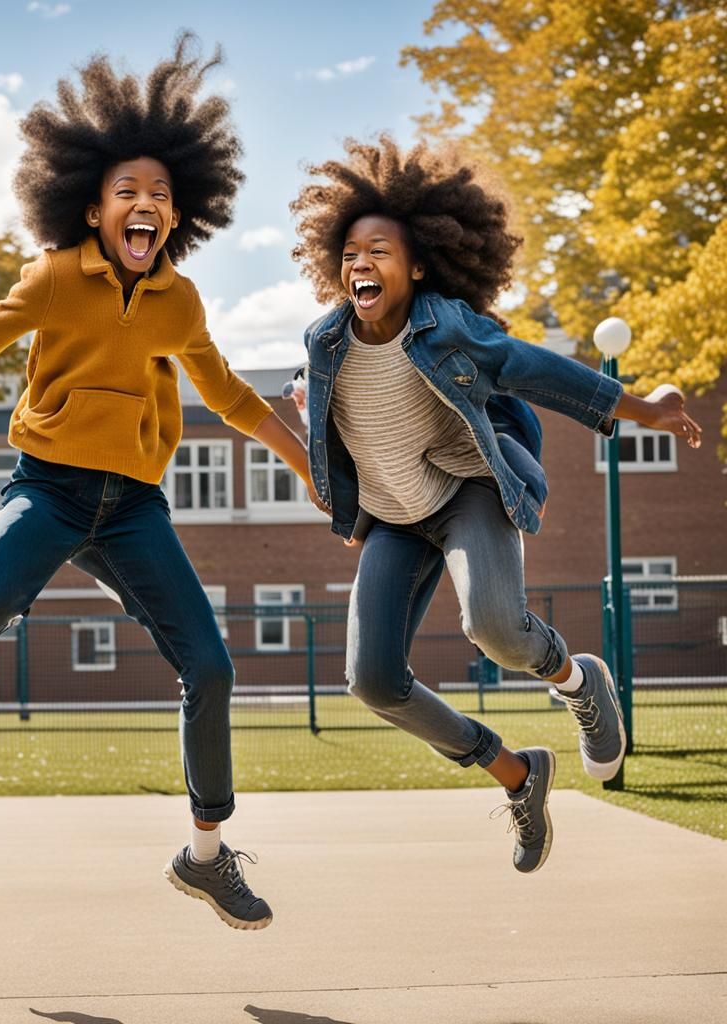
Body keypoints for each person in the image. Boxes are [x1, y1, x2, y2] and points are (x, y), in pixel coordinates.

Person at [0, 35, 321, 930]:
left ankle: (205, 856)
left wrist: (310, 469)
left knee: (212, 663)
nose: (145, 206)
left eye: (160, 195)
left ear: (177, 215)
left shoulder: (179, 301)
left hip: (134, 507)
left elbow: (227, 396)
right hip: (48, 488)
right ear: (93, 207)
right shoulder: (52, 279)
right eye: (127, 194)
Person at [290, 135, 702, 872]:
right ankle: (518, 772)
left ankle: (578, 681)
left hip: (465, 492)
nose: (361, 263)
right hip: (394, 517)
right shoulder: (323, 346)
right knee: (372, 681)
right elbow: (321, 424)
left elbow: (536, 370)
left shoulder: (449, 327)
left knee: (495, 629)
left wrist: (644, 409)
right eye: (350, 252)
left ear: (417, 267)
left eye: (379, 250)